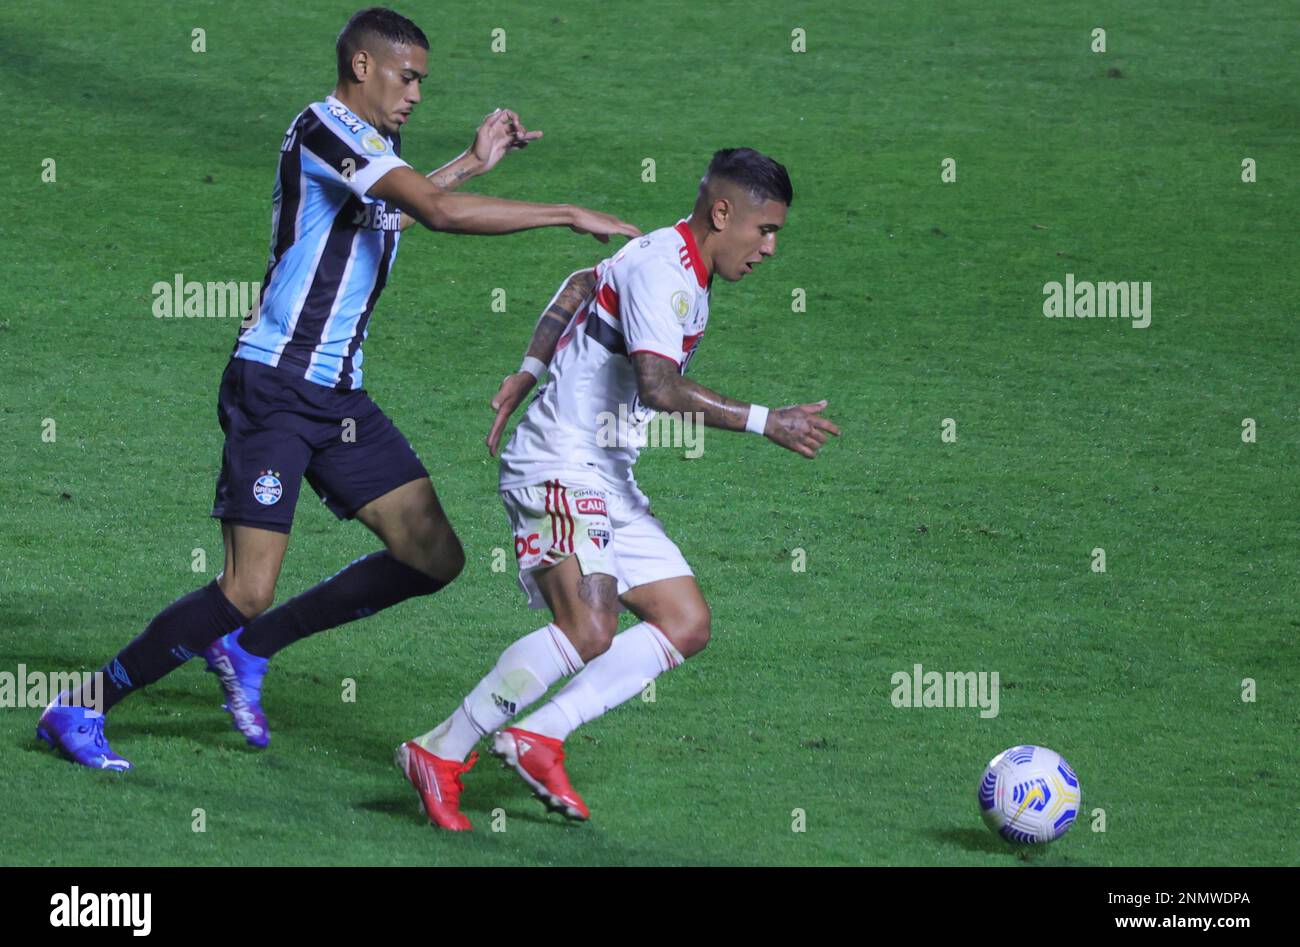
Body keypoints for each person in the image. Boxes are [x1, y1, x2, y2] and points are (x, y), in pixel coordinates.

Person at [37, 6, 639, 771]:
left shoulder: (375, 143)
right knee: (245, 585)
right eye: (409, 76)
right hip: (277, 388)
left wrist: (471, 164)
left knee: (432, 556)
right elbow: (437, 213)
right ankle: (80, 707)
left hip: (340, 399)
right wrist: (566, 212)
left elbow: (399, 211)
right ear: (363, 66)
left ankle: (250, 650)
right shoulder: (324, 127)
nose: (417, 92)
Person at [395, 148, 839, 829]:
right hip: (557, 465)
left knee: (685, 623)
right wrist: (764, 422)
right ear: (723, 212)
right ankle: (441, 750)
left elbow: (580, 280)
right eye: (765, 230)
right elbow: (659, 388)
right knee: (589, 626)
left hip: (606, 473)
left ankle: (539, 736)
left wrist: (530, 365)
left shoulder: (667, 255)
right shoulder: (665, 270)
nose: (771, 248)